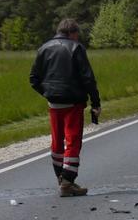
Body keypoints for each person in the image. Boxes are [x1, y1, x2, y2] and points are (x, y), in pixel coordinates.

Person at [29, 18, 101, 197]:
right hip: (73, 102)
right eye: (77, 35)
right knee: (73, 140)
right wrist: (96, 102)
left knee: (57, 141)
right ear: (72, 32)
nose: (77, 39)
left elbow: (33, 78)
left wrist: (47, 92)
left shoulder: (44, 48)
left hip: (53, 103)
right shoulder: (76, 48)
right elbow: (88, 78)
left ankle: (61, 178)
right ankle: (68, 182)